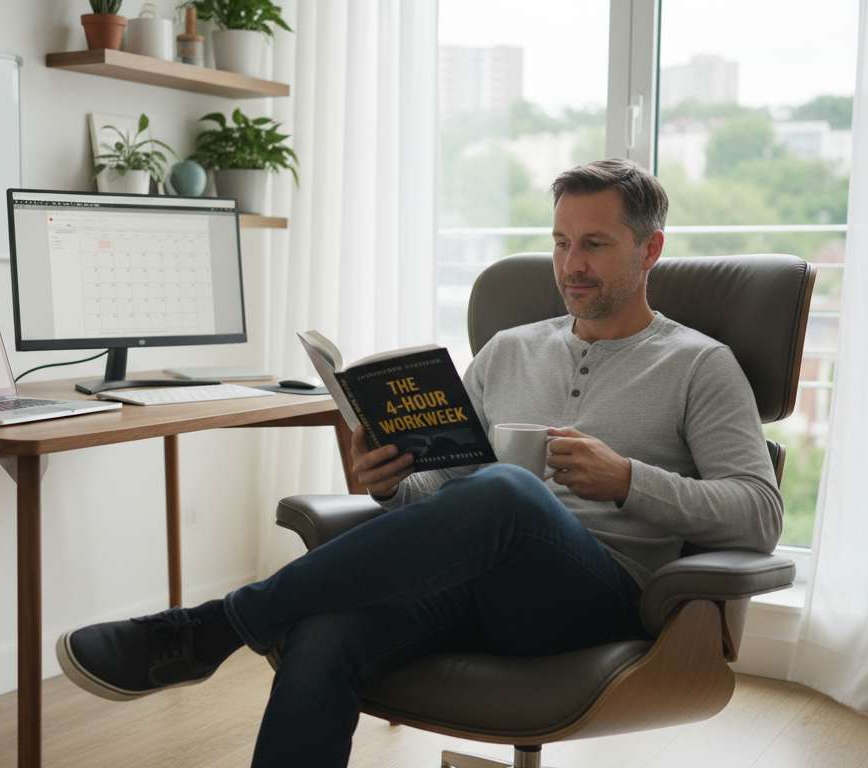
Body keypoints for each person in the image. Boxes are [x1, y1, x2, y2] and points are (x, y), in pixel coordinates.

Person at [55, 158, 783, 767]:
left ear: (650, 250)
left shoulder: (698, 366)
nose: (570, 266)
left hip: (595, 602)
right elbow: (451, 483)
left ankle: (215, 627)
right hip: (472, 584)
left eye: (593, 245)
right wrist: (396, 483)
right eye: (560, 243)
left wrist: (628, 481)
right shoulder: (510, 349)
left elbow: (759, 513)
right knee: (327, 630)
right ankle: (221, 631)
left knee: (506, 488)